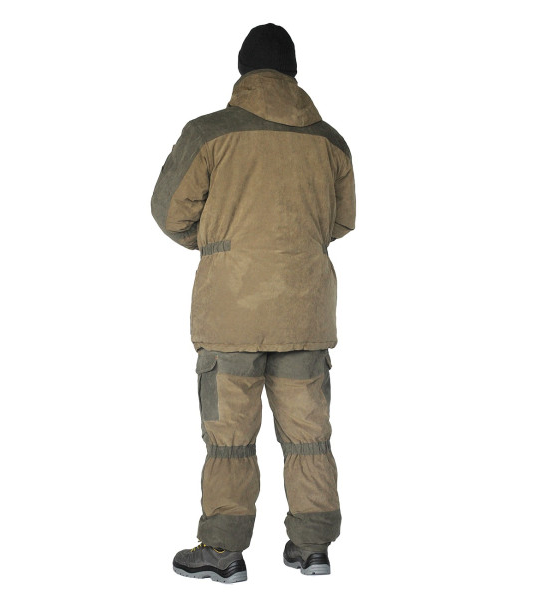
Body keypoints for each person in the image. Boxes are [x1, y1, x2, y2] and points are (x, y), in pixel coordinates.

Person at [151, 23, 356, 583]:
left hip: (231, 315)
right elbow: (341, 221)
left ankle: (222, 554)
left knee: (230, 441)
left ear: (243, 70)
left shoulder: (208, 134)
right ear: (294, 73)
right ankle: (312, 548)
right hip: (305, 312)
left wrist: (222, 244)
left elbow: (169, 212)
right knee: (309, 435)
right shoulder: (330, 141)